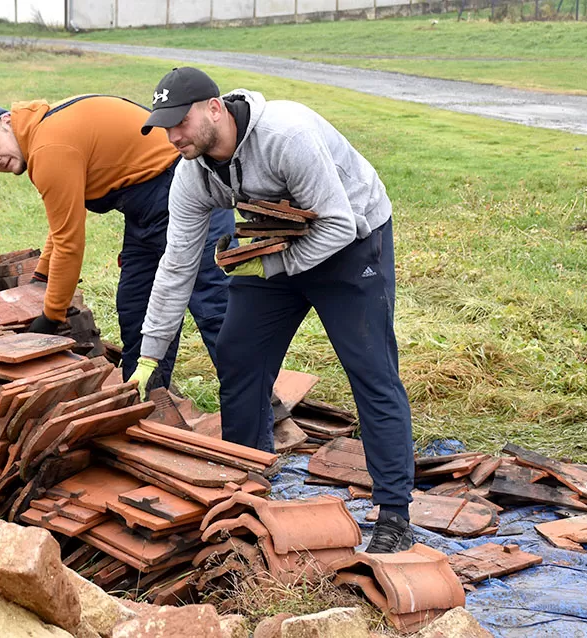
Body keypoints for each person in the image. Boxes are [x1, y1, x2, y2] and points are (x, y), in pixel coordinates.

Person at [128, 67, 415, 553]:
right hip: (277, 243)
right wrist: (149, 358)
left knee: (370, 369)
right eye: (164, 126)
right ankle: (247, 487)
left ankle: (393, 514)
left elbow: (339, 225)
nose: (173, 135)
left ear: (214, 108)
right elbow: (175, 266)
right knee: (239, 356)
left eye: (181, 121)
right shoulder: (192, 176)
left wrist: (271, 268)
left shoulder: (286, 135)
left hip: (352, 239)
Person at [0, 96, 234, 389]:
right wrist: (41, 277)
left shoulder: (49, 147)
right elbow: (64, 221)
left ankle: (260, 406)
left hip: (187, 190)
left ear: (7, 122)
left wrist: (51, 316)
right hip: (146, 210)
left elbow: (69, 242)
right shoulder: (42, 133)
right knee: (136, 307)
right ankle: (149, 402)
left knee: (213, 304)